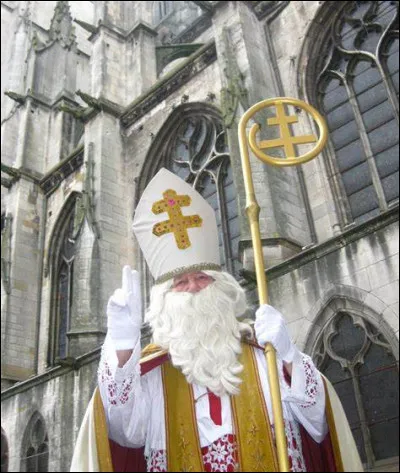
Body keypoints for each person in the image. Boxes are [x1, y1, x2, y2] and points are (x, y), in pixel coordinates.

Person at [71, 169, 363, 472]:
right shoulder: (150, 377)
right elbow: (123, 433)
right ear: (164, 301)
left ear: (224, 288)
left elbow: (317, 424)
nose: (194, 288)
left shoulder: (268, 357)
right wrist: (121, 344)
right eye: (181, 283)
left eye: (202, 277)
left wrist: (289, 357)